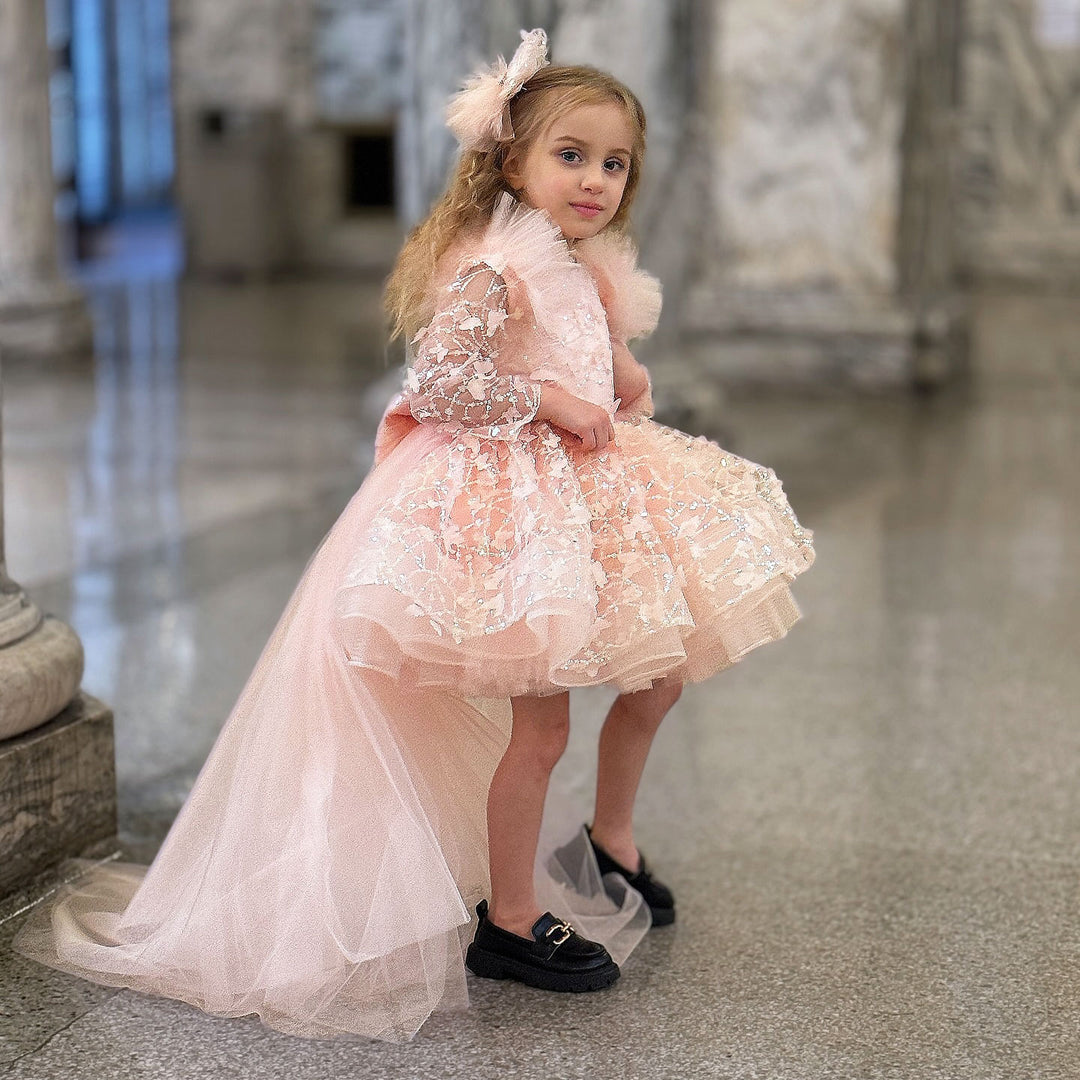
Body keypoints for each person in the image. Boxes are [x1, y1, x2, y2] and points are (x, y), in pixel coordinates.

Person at [13, 29, 814, 1041]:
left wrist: (620, 373)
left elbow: (595, 347)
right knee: (541, 727)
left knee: (658, 677)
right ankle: (510, 919)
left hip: (592, 495)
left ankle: (610, 837)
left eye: (615, 164)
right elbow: (441, 383)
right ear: (510, 161)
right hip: (518, 510)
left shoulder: (579, 266)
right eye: (571, 155)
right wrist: (549, 399)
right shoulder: (496, 266)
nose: (596, 180)